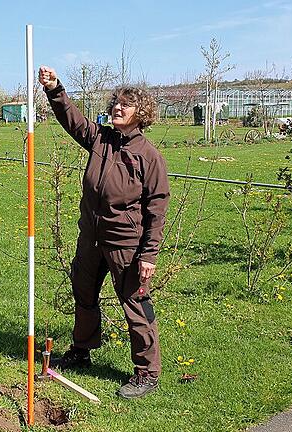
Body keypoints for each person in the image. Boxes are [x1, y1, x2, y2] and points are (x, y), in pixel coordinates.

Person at [38, 66, 170, 399]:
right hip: (91, 239)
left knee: (136, 304)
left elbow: (156, 209)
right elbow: (72, 120)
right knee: (84, 295)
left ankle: (147, 372)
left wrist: (149, 254)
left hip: (125, 244)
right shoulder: (101, 139)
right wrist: (55, 89)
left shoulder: (148, 157)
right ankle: (82, 351)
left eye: (126, 105)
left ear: (141, 113)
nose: (117, 109)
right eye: (115, 104)